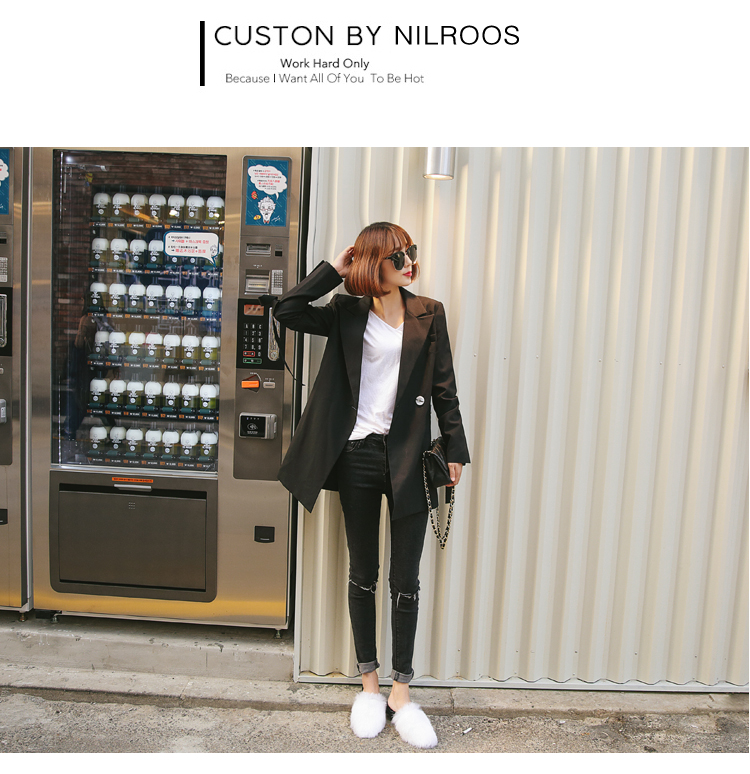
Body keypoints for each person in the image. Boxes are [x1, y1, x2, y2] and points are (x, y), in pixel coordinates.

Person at [273, 222, 470, 748]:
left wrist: (455, 449)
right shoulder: (345, 311)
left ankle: (401, 693)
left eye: (411, 252)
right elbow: (287, 311)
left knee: (406, 580)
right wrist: (334, 272)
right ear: (373, 263)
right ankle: (369, 686)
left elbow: (445, 387)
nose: (410, 262)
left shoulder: (429, 312)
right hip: (356, 457)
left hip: (409, 459)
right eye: (397, 255)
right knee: (363, 573)